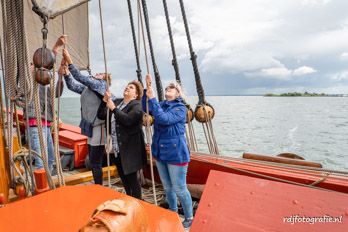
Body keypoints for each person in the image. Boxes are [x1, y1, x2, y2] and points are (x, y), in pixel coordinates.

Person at [145, 74, 193, 228]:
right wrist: (148, 88)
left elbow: (164, 119)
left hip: (176, 153)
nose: (168, 90)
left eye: (171, 88)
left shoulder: (180, 109)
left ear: (178, 93)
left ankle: (189, 217)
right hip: (160, 152)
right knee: (167, 187)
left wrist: (153, 100)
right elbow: (145, 106)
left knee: (179, 188)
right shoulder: (161, 104)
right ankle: (172, 212)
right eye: (166, 88)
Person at [62, 48, 112, 185]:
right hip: (91, 127)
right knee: (93, 159)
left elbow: (80, 77)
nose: (97, 73)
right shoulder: (88, 88)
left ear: (105, 79)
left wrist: (70, 61)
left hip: (99, 128)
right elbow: (73, 86)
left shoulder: (101, 85)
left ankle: (99, 186)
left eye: (101, 73)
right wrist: (66, 74)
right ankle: (98, 185)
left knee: (95, 162)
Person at [97, 81, 147, 199]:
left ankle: (138, 203)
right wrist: (104, 101)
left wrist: (114, 109)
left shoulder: (137, 106)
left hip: (130, 150)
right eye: (127, 86)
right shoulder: (118, 103)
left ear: (136, 95)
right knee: (124, 178)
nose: (127, 88)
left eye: (131, 87)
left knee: (132, 179)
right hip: (117, 149)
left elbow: (128, 120)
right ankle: (129, 200)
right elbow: (101, 115)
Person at [25, 36, 65, 174]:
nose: (33, 67)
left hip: (46, 125)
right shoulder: (29, 83)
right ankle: (41, 188)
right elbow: (45, 60)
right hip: (35, 124)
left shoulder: (45, 84)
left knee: (51, 159)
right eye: (31, 65)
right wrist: (55, 48)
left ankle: (50, 184)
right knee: (41, 161)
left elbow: (57, 93)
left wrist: (60, 76)